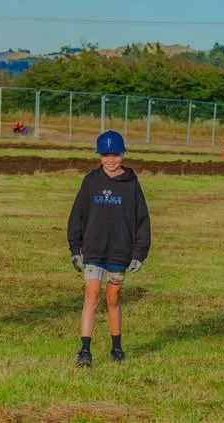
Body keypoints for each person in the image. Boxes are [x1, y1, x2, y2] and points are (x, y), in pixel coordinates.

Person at [66, 130, 151, 368]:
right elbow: (77, 217)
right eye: (105, 155)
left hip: (119, 252)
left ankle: (117, 346)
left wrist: (139, 253)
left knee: (112, 299)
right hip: (93, 251)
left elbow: (142, 220)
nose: (111, 160)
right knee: (91, 297)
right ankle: (84, 350)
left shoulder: (132, 183)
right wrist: (75, 248)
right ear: (99, 156)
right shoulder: (91, 182)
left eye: (115, 154)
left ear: (123, 154)